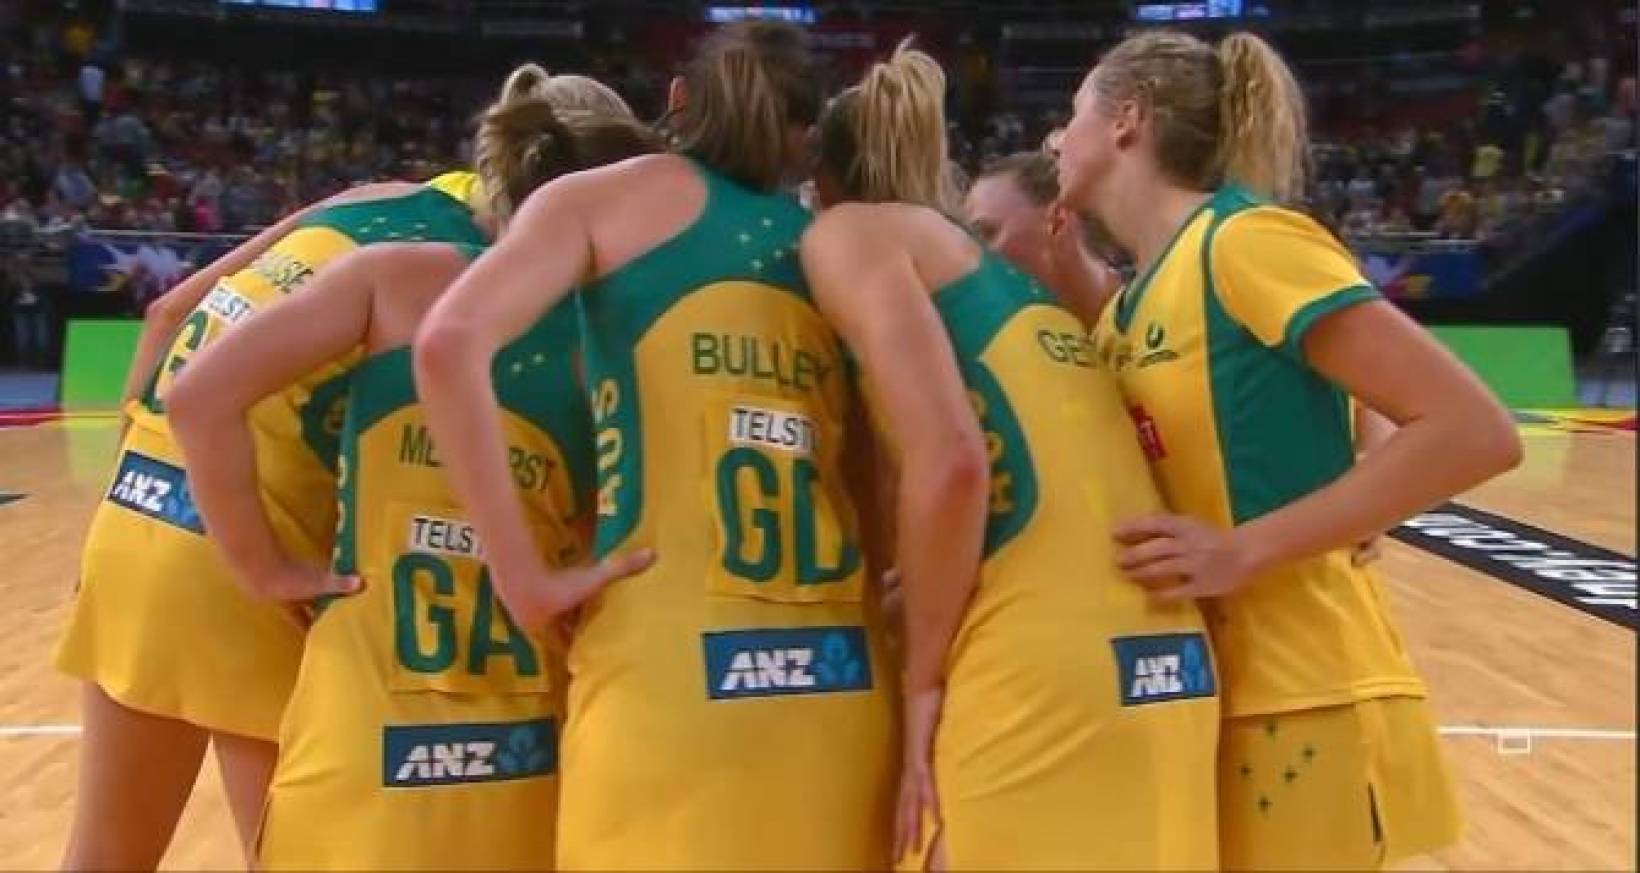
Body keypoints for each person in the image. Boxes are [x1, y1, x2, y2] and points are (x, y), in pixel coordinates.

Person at [51, 66, 635, 871]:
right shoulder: (459, 282)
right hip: (247, 550)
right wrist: (263, 565)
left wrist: (131, 489)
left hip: (135, 516)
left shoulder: (368, 199)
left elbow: (166, 313)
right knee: (285, 852)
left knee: (103, 857)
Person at [413, 21, 896, 869]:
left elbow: (446, 345)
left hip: (667, 679)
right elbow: (879, 479)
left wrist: (523, 577)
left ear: (676, 99)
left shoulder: (596, 200)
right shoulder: (833, 248)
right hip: (837, 682)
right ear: (802, 137)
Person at [1054, 29, 1522, 871]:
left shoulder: (1246, 240)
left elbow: (1471, 429)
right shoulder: (1127, 306)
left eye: (1073, 112)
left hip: (1309, 691)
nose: (1057, 137)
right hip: (1205, 695)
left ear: (1127, 120)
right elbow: (1342, 403)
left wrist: (1244, 548)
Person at [805, 43, 1219, 871]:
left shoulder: (850, 235)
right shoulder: (1024, 294)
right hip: (1171, 663)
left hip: (1040, 666)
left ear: (818, 185)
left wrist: (923, 682)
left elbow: (952, 466)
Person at [965, 151, 1122, 327]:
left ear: (1057, 223)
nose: (974, 256)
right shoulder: (1003, 335)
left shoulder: (1141, 315)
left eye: (986, 234)